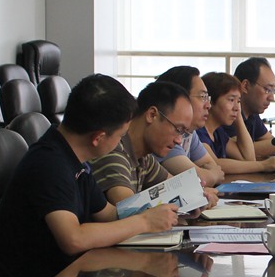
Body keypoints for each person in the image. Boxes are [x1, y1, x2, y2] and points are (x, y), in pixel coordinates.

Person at [0, 74, 180, 277]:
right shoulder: (49, 164)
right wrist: (144, 222)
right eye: (120, 136)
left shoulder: (74, 159)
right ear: (98, 137)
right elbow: (73, 239)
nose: (121, 142)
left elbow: (108, 214)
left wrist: (159, 210)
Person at [90, 80, 219, 208]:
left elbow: (178, 189)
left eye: (183, 133)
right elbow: (128, 207)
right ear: (152, 115)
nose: (179, 140)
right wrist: (190, 199)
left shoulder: (144, 158)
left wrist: (199, 195)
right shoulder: (114, 149)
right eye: (178, 129)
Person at [199, 71, 275, 175]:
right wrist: (263, 165)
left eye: (238, 101)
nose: (237, 108)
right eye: (231, 100)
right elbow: (215, 164)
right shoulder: (199, 131)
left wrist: (239, 119)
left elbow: (248, 158)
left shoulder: (218, 132)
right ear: (210, 101)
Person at [154, 65, 226, 187]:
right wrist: (210, 175)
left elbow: (213, 167)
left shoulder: (190, 132)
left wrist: (210, 175)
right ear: (179, 99)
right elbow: (200, 179)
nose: (208, 105)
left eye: (207, 98)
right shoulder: (166, 135)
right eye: (202, 97)